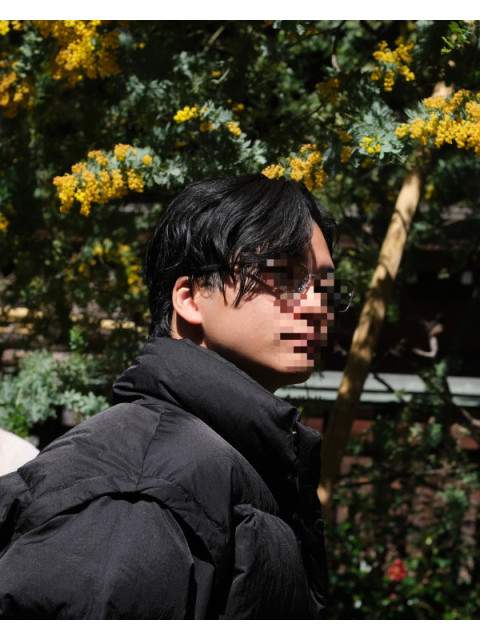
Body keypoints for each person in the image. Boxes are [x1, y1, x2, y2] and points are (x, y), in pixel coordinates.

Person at [0, 174, 343, 619]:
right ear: (191, 298)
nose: (316, 305)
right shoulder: (141, 486)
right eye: (285, 275)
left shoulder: (237, 463)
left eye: (324, 286)